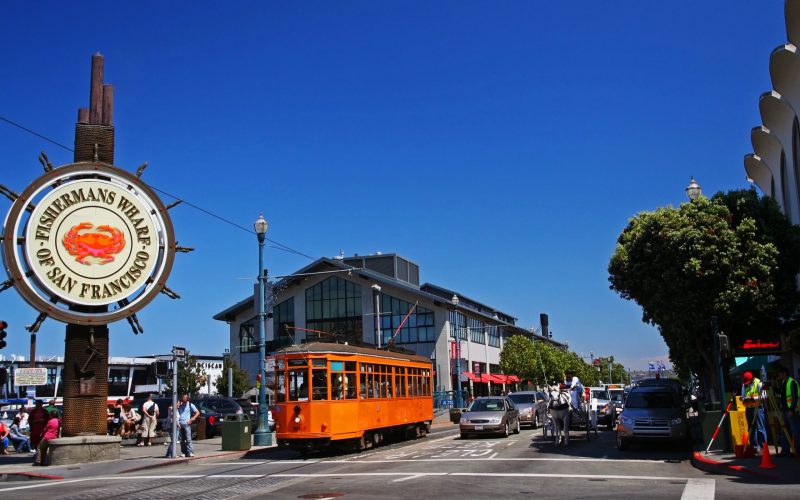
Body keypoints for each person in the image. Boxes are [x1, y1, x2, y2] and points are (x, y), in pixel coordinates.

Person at [775, 366, 800, 456]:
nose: (778, 375)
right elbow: (781, 395)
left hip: (791, 411)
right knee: (784, 431)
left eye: (779, 373)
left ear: (784, 373)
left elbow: (795, 397)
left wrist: (792, 409)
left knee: (795, 431)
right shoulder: (783, 382)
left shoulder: (792, 382)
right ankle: (785, 451)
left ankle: (798, 451)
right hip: (785, 411)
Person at [741, 371, 767, 452]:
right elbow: (742, 395)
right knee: (751, 428)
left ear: (752, 379)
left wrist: (753, 398)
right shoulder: (744, 384)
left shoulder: (758, 383)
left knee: (760, 428)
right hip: (749, 408)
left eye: (748, 382)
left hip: (758, 408)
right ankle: (755, 447)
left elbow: (765, 395)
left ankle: (764, 447)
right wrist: (743, 398)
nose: (747, 384)